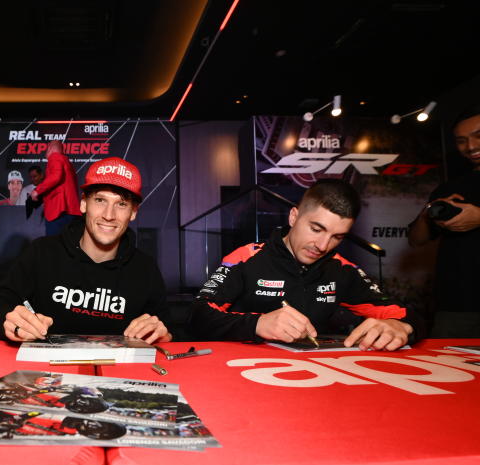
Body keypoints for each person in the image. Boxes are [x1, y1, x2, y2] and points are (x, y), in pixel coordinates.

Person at [190, 180, 421, 351]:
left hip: (314, 380)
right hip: (246, 374)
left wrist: (401, 327)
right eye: (316, 229)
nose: (322, 245)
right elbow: (198, 317)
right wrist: (257, 324)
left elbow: (408, 314)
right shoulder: (246, 258)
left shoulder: (341, 269)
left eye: (337, 237)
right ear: (293, 217)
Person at [0, 156, 172, 344]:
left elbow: (168, 329)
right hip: (45, 371)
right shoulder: (42, 253)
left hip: (120, 373)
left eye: (121, 204)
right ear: (83, 204)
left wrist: (163, 334)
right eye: (100, 200)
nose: (109, 215)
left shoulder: (145, 269)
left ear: (133, 212)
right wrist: (9, 322)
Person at [408, 106, 480, 337]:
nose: (470, 147)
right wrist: (429, 212)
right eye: (461, 140)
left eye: (478, 136)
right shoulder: (451, 187)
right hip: (457, 304)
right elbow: (416, 239)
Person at [29, 140, 81, 235]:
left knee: (53, 245)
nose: (45, 154)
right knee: (67, 245)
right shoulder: (67, 162)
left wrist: (37, 190)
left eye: (46, 150)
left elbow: (56, 176)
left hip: (58, 211)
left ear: (50, 149)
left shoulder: (55, 157)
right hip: (70, 211)